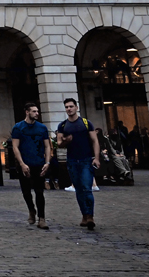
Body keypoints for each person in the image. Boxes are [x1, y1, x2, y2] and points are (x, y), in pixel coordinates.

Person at [56, 98, 100, 230]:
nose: (69, 109)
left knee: (87, 188)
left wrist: (96, 158)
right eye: (66, 107)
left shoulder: (86, 123)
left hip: (86, 159)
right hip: (72, 161)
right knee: (79, 189)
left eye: (71, 106)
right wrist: (66, 141)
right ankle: (84, 215)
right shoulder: (63, 126)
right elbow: (59, 144)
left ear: (76, 107)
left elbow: (95, 141)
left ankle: (90, 216)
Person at [11, 102, 51, 229]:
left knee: (39, 192)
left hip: (39, 163)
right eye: (34, 111)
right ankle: (31, 210)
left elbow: (47, 146)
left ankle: (42, 218)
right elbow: (15, 147)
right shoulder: (18, 127)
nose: (37, 113)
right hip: (24, 163)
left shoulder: (42, 128)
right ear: (27, 112)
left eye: (37, 111)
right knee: (26, 191)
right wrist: (22, 164)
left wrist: (47, 162)